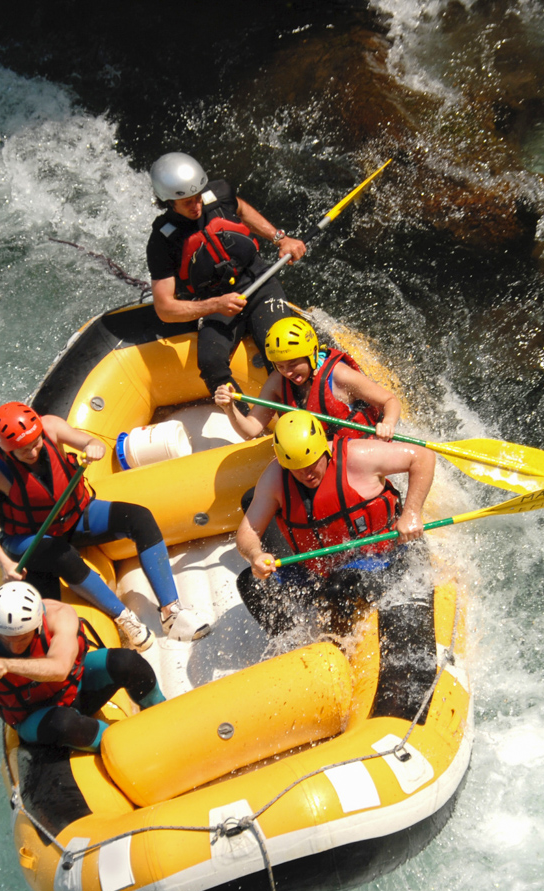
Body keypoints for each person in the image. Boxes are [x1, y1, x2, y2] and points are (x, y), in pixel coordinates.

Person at [0, 401, 210, 651]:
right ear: (7, 450)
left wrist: (93, 447)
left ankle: (172, 613)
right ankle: (125, 619)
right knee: (64, 557)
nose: (32, 453)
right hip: (29, 537)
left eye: (35, 444)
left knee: (140, 518)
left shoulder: (51, 427)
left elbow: (87, 442)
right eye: (23, 451)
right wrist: (5, 562)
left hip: (73, 516)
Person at [0, 581, 165, 798]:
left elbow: (60, 669)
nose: (14, 647)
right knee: (63, 723)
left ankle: (162, 714)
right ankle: (132, 750)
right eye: (6, 639)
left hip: (76, 687)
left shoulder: (59, 615)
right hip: (34, 717)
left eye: (22, 639)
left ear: (37, 625)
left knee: (126, 662)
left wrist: (7, 665)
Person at [235, 409, 435, 637]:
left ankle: (341, 646)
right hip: (318, 571)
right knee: (250, 584)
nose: (306, 475)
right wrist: (255, 556)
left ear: (324, 449)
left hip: (379, 559)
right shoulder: (275, 478)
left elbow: (422, 457)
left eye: (312, 465)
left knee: (340, 586)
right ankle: (294, 642)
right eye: (297, 470)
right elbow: (247, 533)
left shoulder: (358, 456)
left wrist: (411, 513)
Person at [145, 151, 307, 399]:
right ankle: (247, 422)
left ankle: (305, 414)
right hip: (215, 302)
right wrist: (215, 305)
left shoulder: (220, 193)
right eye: (187, 201)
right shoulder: (161, 242)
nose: (196, 205)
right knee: (211, 364)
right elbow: (164, 308)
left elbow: (242, 210)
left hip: (257, 281)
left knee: (283, 349)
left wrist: (280, 239)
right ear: (168, 201)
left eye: (198, 197)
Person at [214, 316, 402, 443]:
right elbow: (251, 430)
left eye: (294, 364)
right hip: (316, 461)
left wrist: (388, 424)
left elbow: (390, 400)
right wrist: (229, 408)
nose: (287, 372)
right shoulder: (277, 382)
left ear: (311, 354)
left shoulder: (339, 376)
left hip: (357, 449)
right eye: (280, 366)